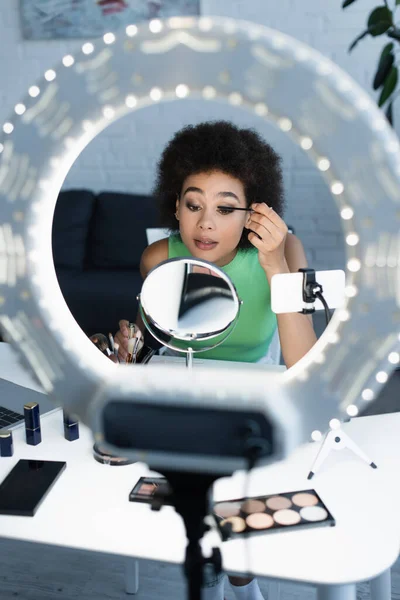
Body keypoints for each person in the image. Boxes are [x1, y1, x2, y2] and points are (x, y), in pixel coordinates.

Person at [114, 120, 317, 600]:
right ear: (176, 206)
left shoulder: (286, 250)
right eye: (193, 205)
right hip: (182, 390)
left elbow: (305, 365)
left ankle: (239, 583)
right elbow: (150, 339)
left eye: (225, 208)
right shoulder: (158, 257)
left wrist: (274, 266)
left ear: (254, 212)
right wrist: (129, 345)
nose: (205, 223)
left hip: (254, 388)